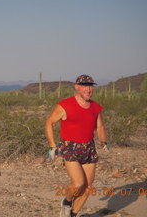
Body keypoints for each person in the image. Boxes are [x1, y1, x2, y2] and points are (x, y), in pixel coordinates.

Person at [45, 74, 109, 217]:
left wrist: (104, 141)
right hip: (70, 147)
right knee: (78, 184)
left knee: (87, 189)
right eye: (85, 86)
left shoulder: (95, 107)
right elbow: (49, 123)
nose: (88, 89)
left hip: (89, 148)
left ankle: (72, 214)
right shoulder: (65, 105)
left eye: (90, 86)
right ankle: (67, 201)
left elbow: (100, 126)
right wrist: (52, 146)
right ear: (77, 87)